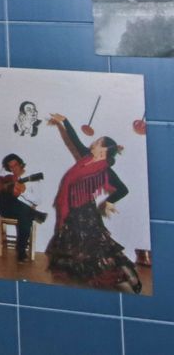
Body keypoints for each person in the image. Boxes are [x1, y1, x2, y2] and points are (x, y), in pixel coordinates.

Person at [42, 113, 142, 292]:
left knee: (96, 248)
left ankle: (127, 277)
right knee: (85, 249)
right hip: (74, 211)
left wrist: (109, 202)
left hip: (85, 213)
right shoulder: (86, 158)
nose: (93, 143)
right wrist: (64, 121)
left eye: (97, 142)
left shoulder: (105, 170)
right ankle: (92, 281)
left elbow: (123, 189)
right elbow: (73, 139)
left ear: (103, 150)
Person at [0, 153, 46, 262]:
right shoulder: (7, 174)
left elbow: (38, 200)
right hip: (6, 208)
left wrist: (24, 192)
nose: (13, 169)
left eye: (16, 165)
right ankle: (37, 215)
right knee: (7, 197)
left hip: (23, 212)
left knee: (25, 214)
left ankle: (21, 251)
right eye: (10, 167)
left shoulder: (32, 178)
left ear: (21, 164)